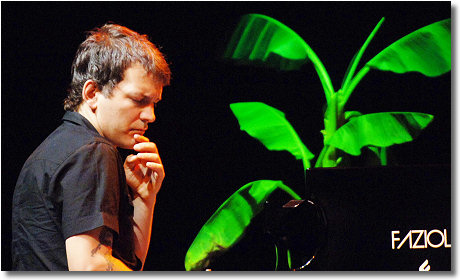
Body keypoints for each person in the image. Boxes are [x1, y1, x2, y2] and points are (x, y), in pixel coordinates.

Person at [11, 23, 171, 271]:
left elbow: (128, 264)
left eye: (154, 103)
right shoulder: (93, 151)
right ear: (92, 92)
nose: (151, 116)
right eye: (140, 100)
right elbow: (90, 268)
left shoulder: (53, 149)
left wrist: (143, 200)